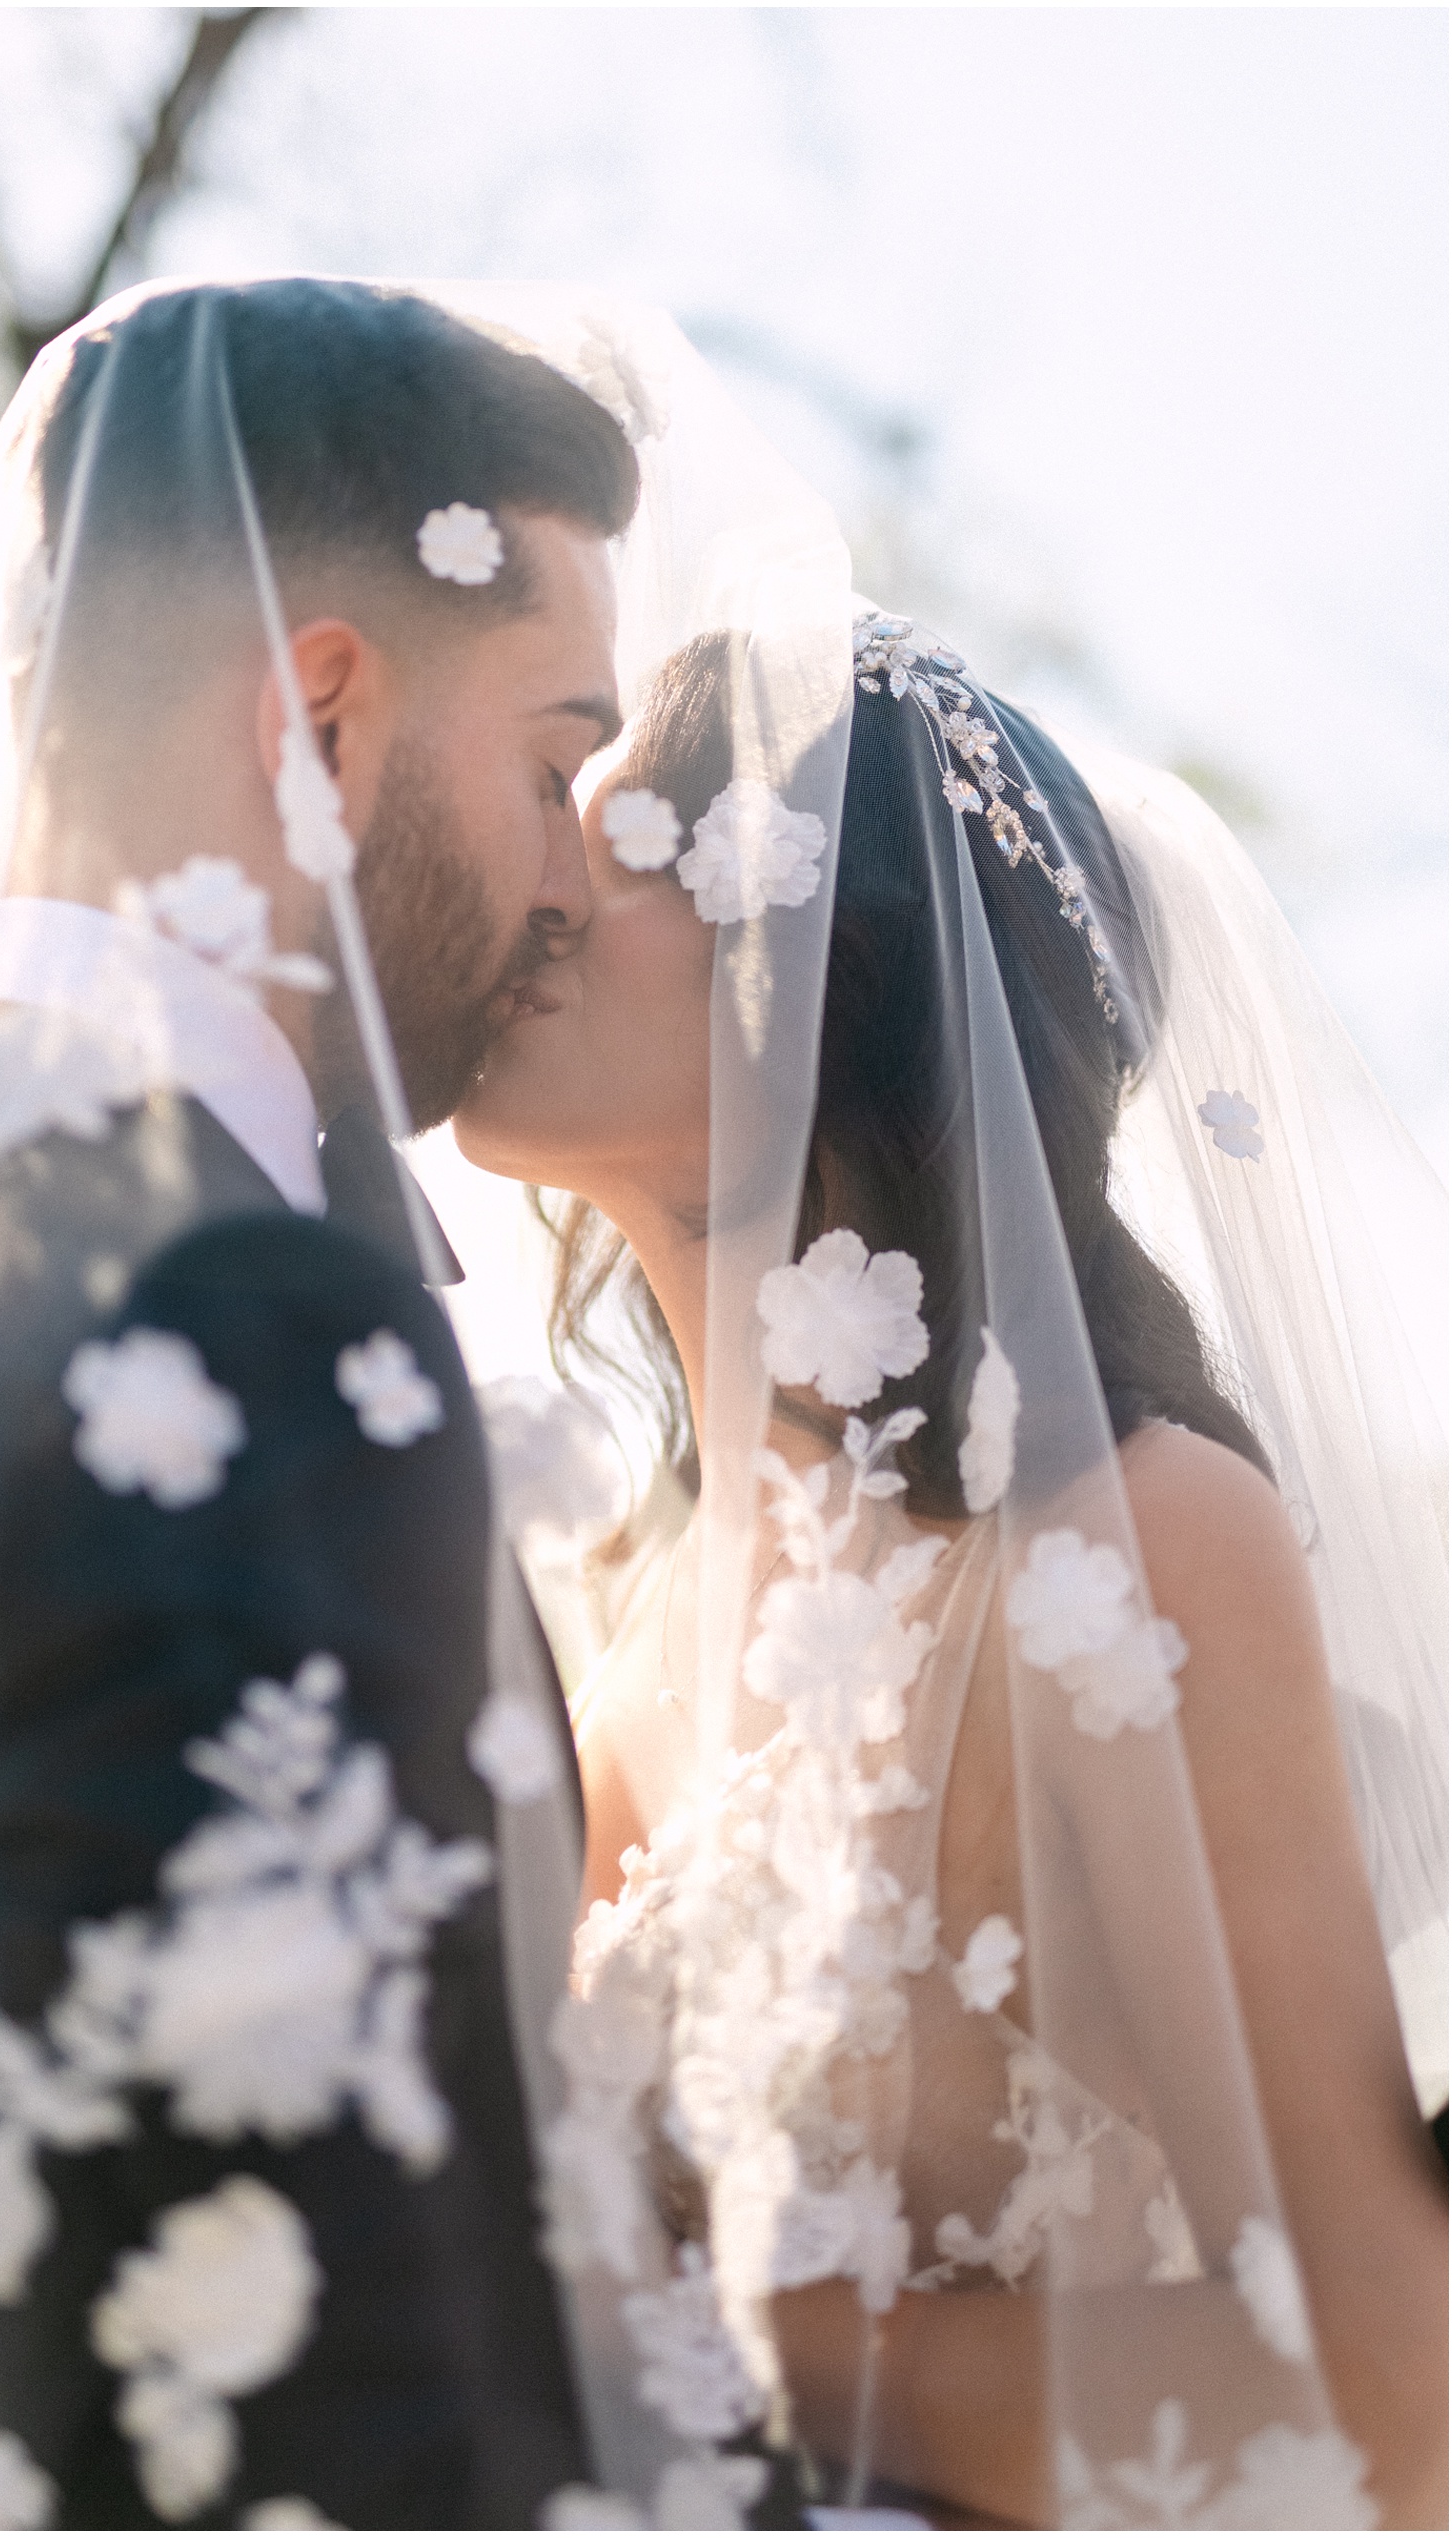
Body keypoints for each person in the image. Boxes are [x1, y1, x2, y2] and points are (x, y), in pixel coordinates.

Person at [0, 276, 638, 2531]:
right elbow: (313, 2357)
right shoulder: (242, 1323)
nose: (576, 867)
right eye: (555, 762)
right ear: (321, 721)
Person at [454, 607, 1448, 2525]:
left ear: (841, 969)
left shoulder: (1125, 1542)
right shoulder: (612, 1601)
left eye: (640, 837)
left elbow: (1386, 2381)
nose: (543, 892)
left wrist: (685, 2338)